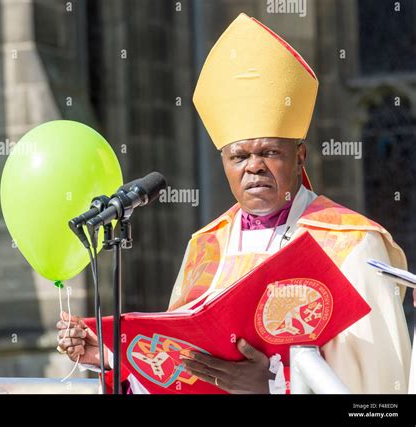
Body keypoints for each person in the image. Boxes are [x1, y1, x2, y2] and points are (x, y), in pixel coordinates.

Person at [56, 13, 411, 394]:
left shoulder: (353, 245)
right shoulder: (207, 248)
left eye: (270, 152)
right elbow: (180, 372)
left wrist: (275, 385)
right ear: (224, 164)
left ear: (300, 157)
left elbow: (378, 387)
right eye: (239, 157)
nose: (254, 167)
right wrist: (112, 358)